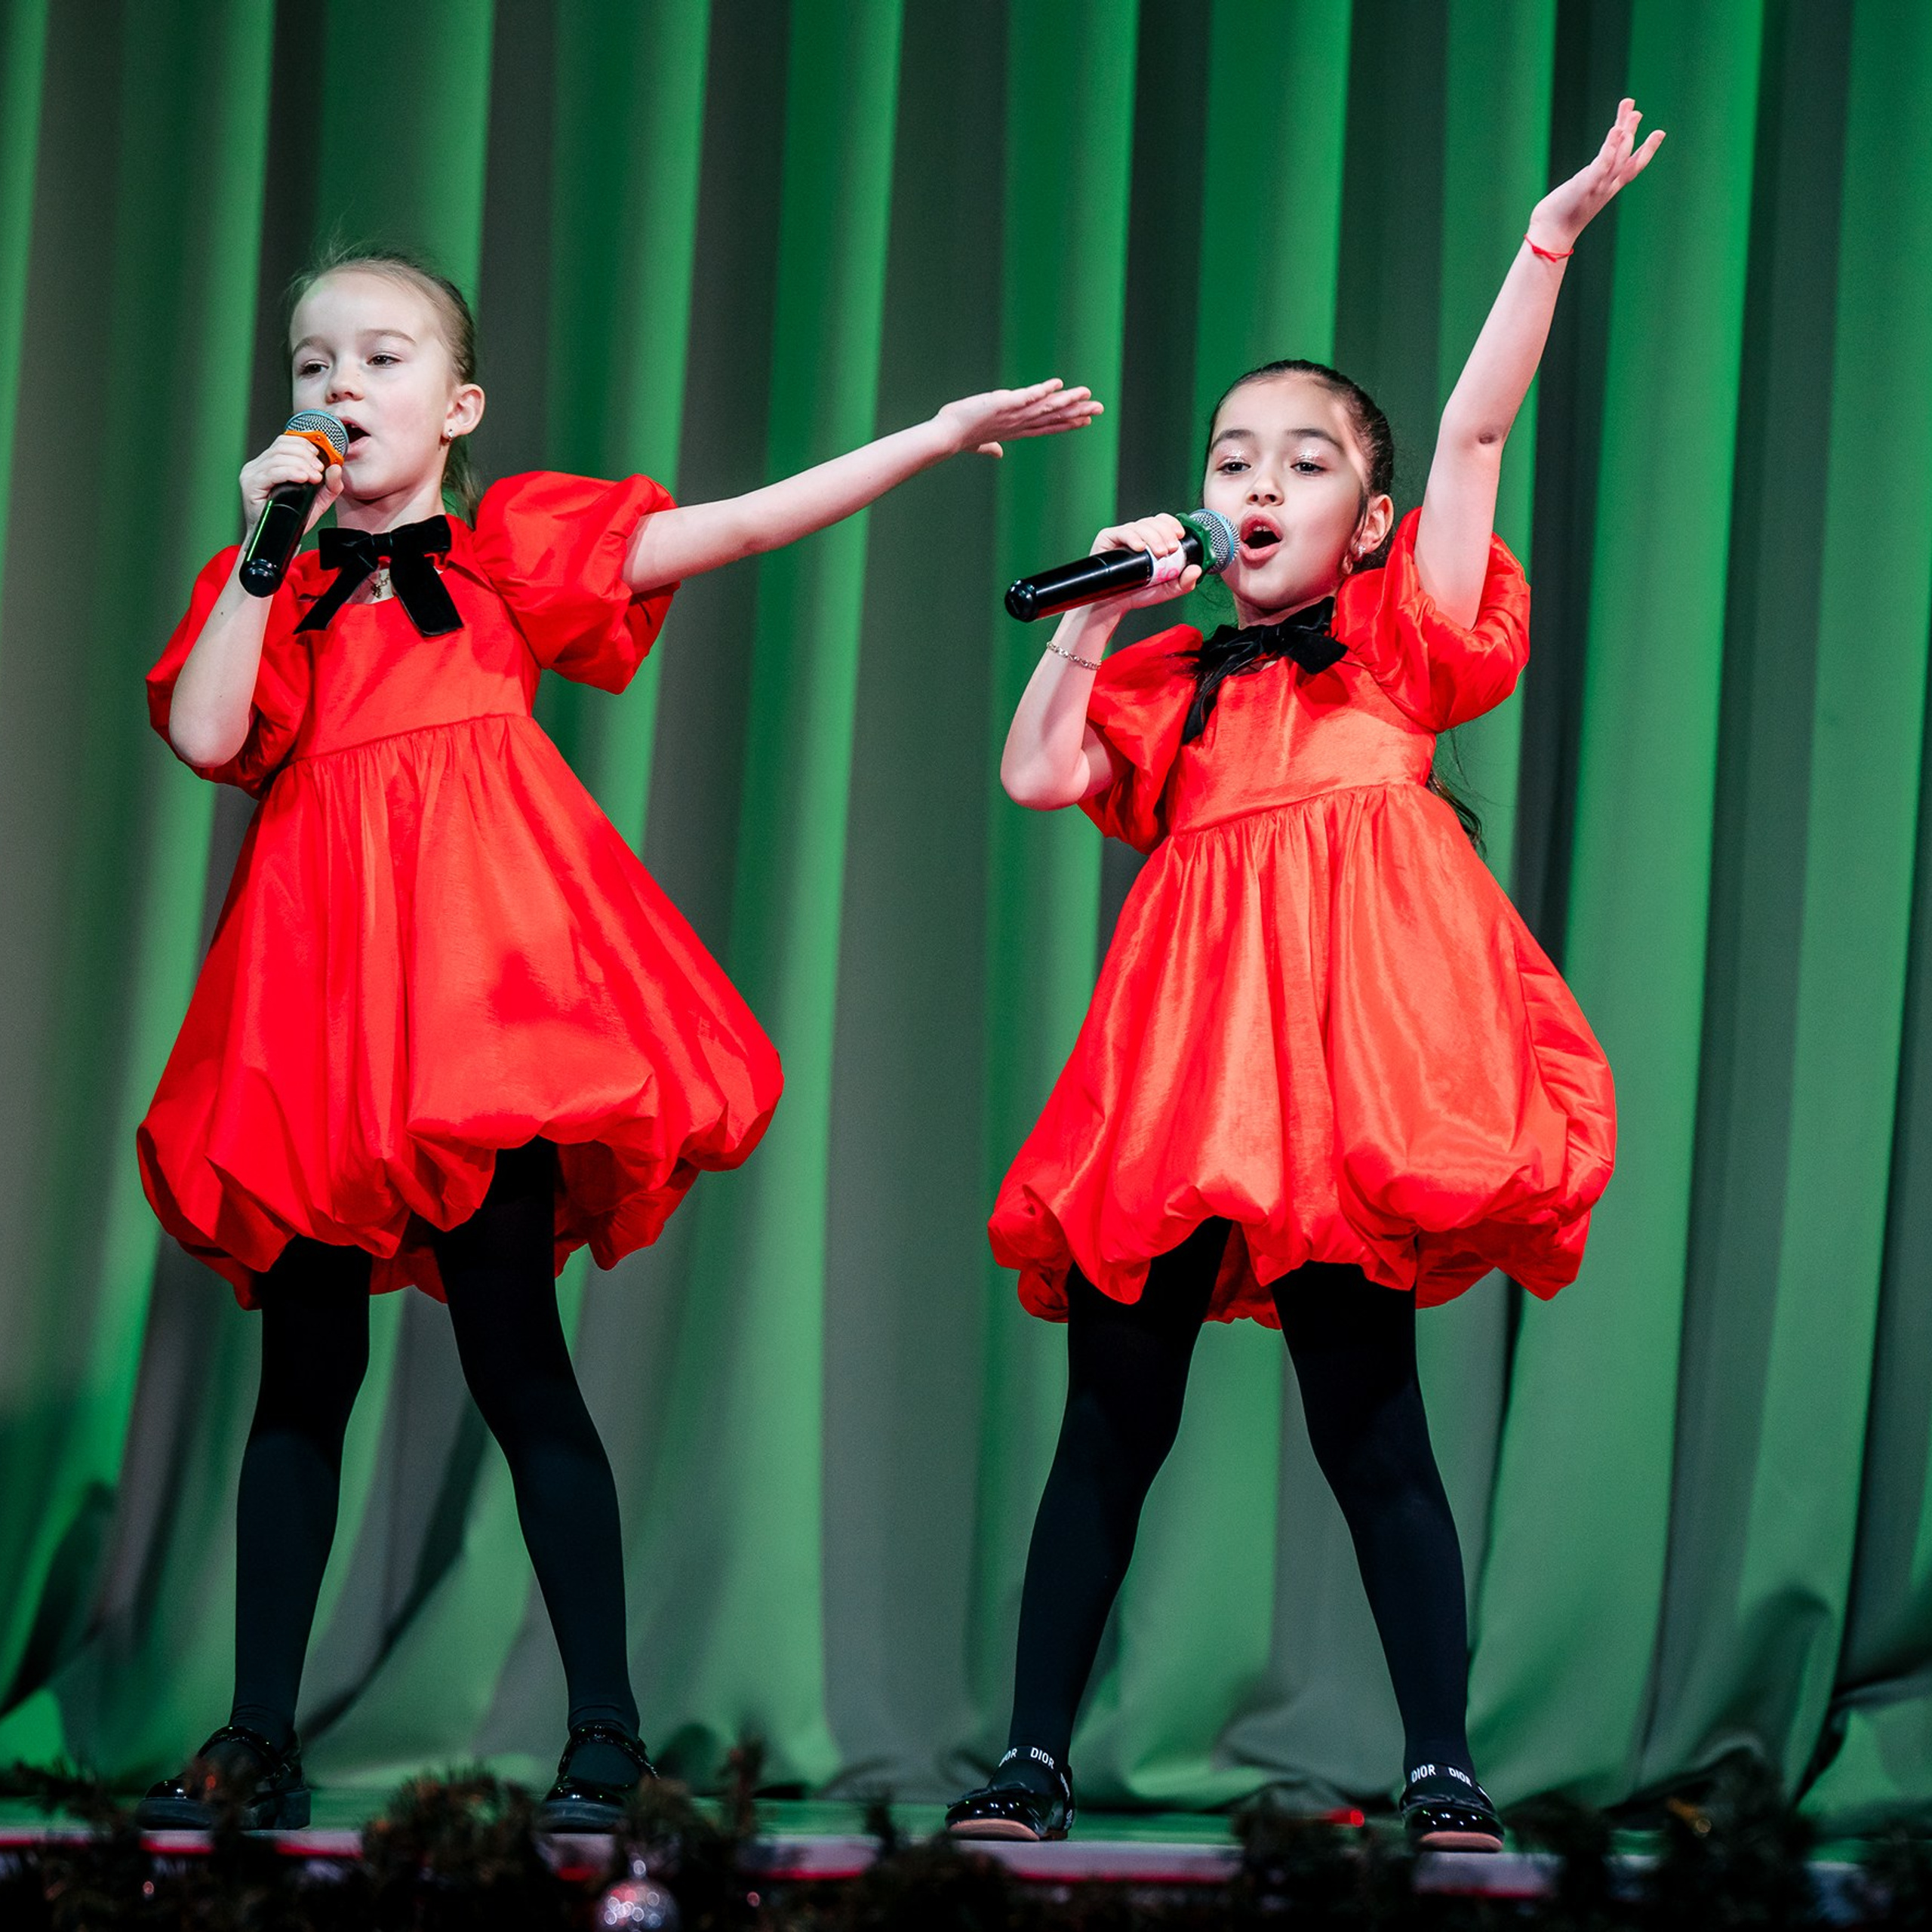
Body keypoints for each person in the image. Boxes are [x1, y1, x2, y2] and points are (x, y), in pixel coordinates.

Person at [133, 248, 1101, 1833]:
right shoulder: (276, 580)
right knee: (300, 1368)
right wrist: (257, 556)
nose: (338, 391)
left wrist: (927, 437)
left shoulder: (514, 544)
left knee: (519, 1349)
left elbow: (728, 527)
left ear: (458, 406)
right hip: (317, 994)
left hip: (479, 993)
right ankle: (255, 1730)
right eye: (313, 366)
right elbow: (207, 732)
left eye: (379, 361)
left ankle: (603, 1727)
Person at [947, 101, 1661, 1849]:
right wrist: (1097, 614)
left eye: (1303, 459)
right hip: (1186, 1064)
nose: (1256, 484)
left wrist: (1546, 238)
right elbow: (1039, 775)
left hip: (1338, 1069)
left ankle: (1440, 1763)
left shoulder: (1403, 644)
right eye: (1231, 456)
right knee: (1111, 1414)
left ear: (1369, 508)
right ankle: (1030, 1757)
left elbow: (1481, 421)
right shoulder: (1172, 668)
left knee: (1370, 1420)